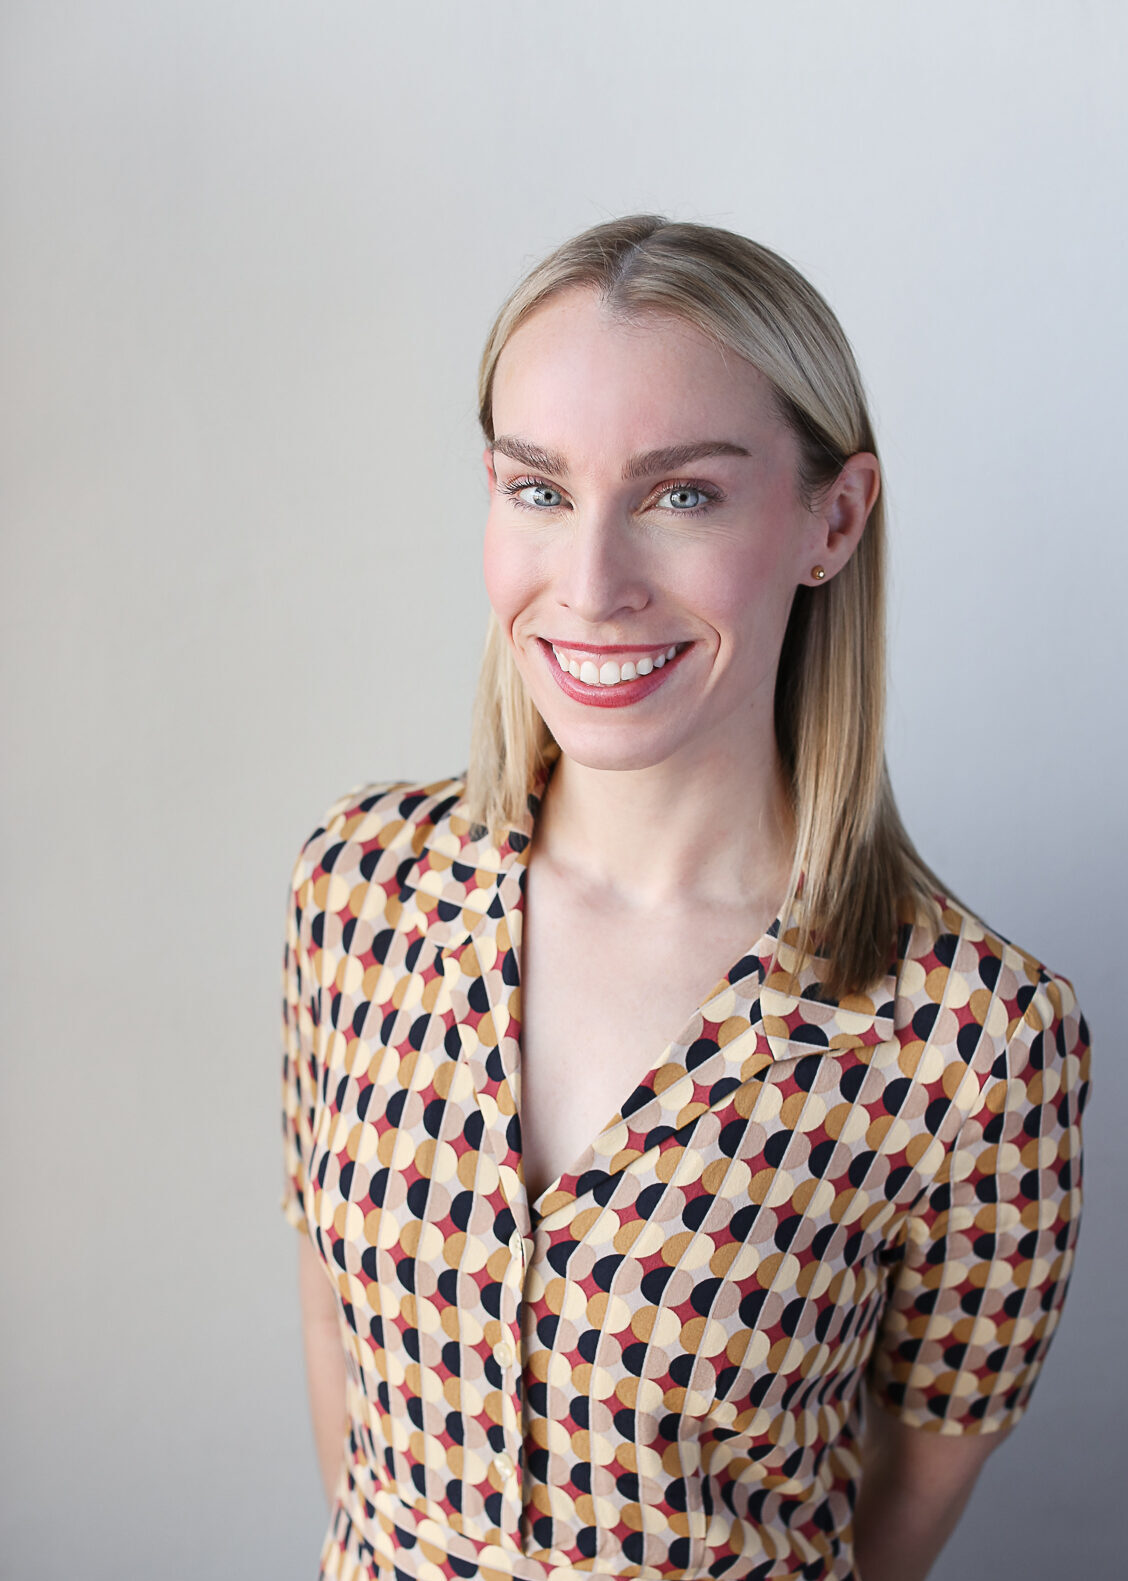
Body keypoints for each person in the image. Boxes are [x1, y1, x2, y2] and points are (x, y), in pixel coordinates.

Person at [280, 216, 1091, 1581]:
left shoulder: (975, 1042)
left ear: (832, 518)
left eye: (682, 495)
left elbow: (903, 1500)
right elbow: (337, 1349)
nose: (590, 587)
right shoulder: (359, 889)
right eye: (538, 489)